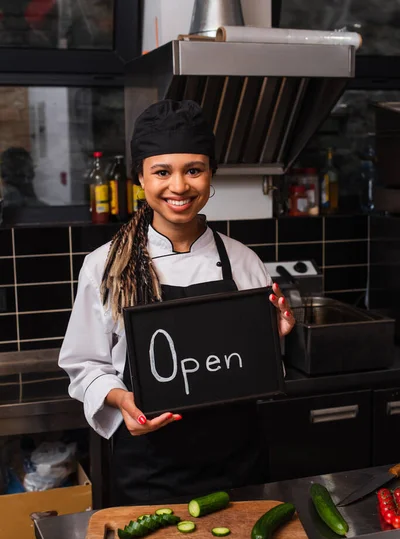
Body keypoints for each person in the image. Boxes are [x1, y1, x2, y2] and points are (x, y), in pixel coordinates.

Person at [59, 99, 295, 506]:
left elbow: (250, 368)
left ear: (210, 175)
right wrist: (122, 401)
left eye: (194, 170)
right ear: (141, 179)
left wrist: (272, 340)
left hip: (240, 467)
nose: (179, 186)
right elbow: (85, 365)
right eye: (162, 172)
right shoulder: (106, 266)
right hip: (151, 472)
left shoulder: (242, 261)